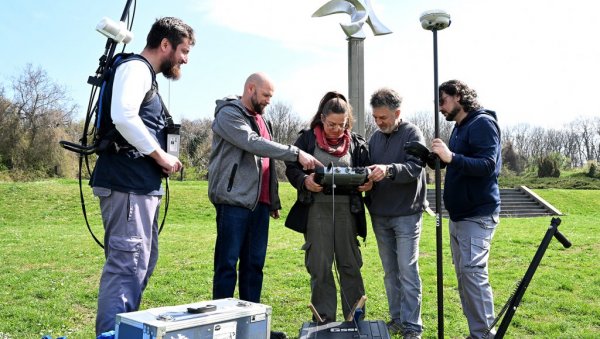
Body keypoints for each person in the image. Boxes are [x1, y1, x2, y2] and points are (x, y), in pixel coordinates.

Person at [89, 17, 195, 335]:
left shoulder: (146, 76)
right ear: (165, 44)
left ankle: (124, 330)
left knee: (140, 265)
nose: (185, 60)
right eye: (184, 51)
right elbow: (123, 115)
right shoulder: (135, 69)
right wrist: (159, 154)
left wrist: (161, 157)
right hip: (127, 187)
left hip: (139, 187)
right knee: (126, 269)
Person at [208, 72, 321, 339]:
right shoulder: (228, 114)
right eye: (266, 95)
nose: (269, 101)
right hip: (234, 202)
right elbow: (254, 144)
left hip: (259, 204)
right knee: (227, 265)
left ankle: (253, 327)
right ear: (250, 89)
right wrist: (295, 153)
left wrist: (272, 200)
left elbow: (266, 164)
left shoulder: (262, 118)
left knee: (254, 266)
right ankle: (222, 328)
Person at [284, 91, 372, 323]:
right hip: (316, 210)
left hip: (347, 210)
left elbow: (367, 171)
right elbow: (291, 168)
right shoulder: (306, 140)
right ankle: (323, 320)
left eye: (341, 125)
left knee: (350, 264)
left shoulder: (356, 143)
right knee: (320, 266)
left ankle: (356, 318)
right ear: (322, 118)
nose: (336, 129)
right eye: (331, 124)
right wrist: (305, 181)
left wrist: (367, 181)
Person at [431, 80, 502, 339]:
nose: (440, 107)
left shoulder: (482, 123)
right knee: (464, 277)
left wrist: (451, 157)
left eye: (443, 101)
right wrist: (437, 158)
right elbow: (460, 163)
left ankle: (484, 334)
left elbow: (487, 165)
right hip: (459, 215)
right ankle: (477, 332)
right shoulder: (459, 128)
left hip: (478, 214)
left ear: (458, 96)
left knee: (473, 274)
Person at [365, 88, 427, 339]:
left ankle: (413, 326)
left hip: (406, 214)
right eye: (376, 118)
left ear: (397, 113)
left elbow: (415, 167)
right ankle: (397, 319)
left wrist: (389, 170)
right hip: (380, 214)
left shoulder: (413, 133)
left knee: (407, 269)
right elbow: (368, 169)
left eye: (383, 117)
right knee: (390, 271)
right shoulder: (374, 138)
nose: (379, 122)